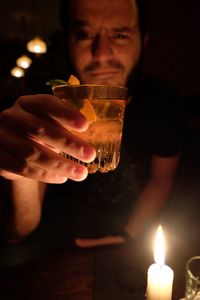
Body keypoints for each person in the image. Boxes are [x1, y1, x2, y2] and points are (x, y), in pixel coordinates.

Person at [0, 0, 181, 248]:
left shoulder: (163, 101)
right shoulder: (46, 103)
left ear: (144, 40)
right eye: (84, 35)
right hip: (58, 241)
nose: (102, 52)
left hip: (131, 231)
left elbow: (161, 181)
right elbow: (18, 231)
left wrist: (127, 238)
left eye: (119, 34)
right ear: (68, 42)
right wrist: (18, 174)